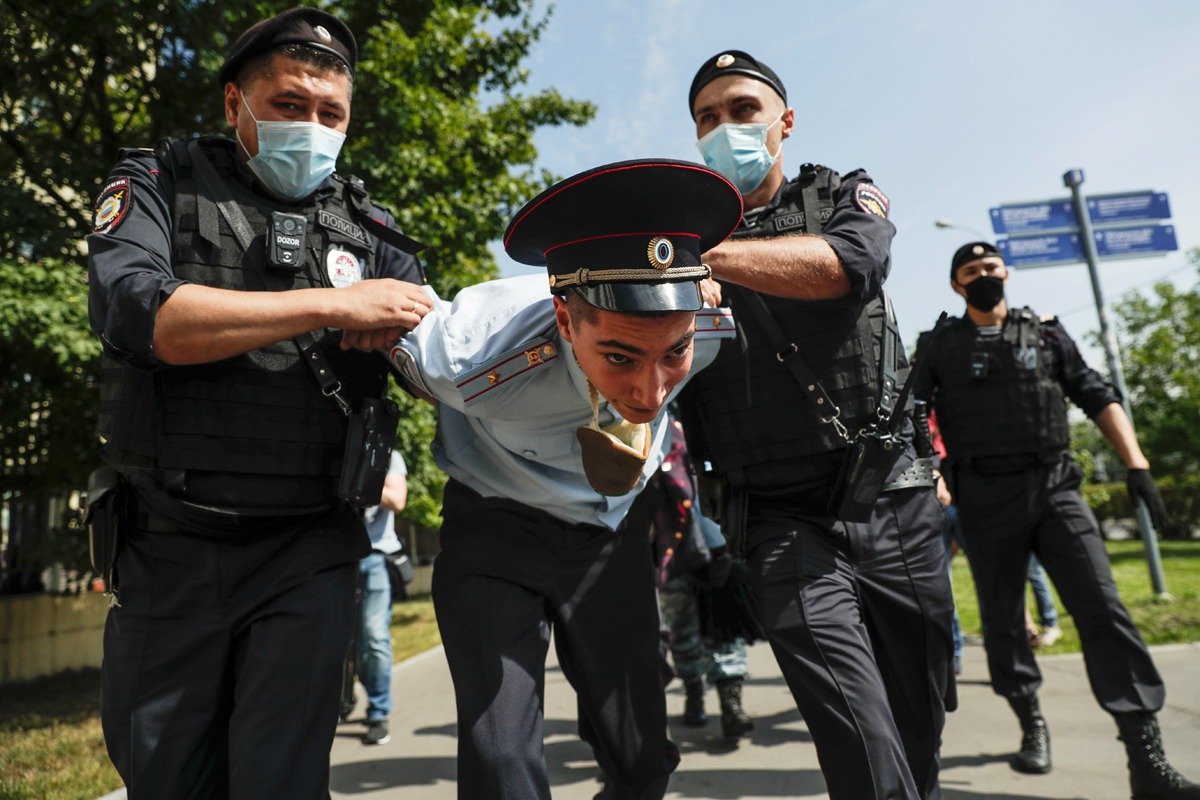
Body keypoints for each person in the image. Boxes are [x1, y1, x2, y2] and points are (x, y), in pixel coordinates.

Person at [85, 8, 428, 797]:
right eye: (288, 105)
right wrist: (333, 307)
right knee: (168, 780)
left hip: (307, 551)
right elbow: (146, 316)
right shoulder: (155, 184)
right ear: (235, 104)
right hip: (170, 546)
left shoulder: (370, 231)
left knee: (282, 783)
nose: (311, 126)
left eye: (330, 114)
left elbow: (437, 351)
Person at [387, 158, 742, 800]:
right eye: (618, 356)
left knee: (643, 764)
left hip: (607, 540)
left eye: (674, 353)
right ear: (563, 317)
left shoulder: (708, 329)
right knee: (501, 764)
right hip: (495, 531)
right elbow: (401, 340)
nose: (650, 390)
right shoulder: (473, 357)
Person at [675, 50, 954, 800]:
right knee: (855, 731)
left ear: (784, 122)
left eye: (741, 110)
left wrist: (712, 258)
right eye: (707, 118)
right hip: (775, 518)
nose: (723, 127)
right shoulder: (674, 234)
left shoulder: (843, 194)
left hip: (889, 496)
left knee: (917, 717)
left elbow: (848, 267)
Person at [916, 240, 1199, 799]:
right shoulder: (938, 345)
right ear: (956, 284)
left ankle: (1146, 759)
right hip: (983, 497)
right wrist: (933, 476)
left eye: (991, 268)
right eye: (971, 271)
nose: (983, 276)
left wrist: (1136, 465)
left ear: (1008, 273)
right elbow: (911, 415)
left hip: (1055, 488)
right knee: (1002, 622)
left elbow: (1096, 393)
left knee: (1103, 608)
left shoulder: (1046, 332)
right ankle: (1031, 723)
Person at [648, 417, 755, 741]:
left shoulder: (701, 424)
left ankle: (727, 703)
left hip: (710, 547)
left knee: (720, 629)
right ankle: (700, 694)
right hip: (679, 549)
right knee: (687, 632)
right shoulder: (655, 427)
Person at [357, 450, 408, 746]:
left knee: (374, 636)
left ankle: (378, 711)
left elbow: (397, 500)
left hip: (375, 556)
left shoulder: (389, 456)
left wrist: (356, 476)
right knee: (341, 639)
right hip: (335, 556)